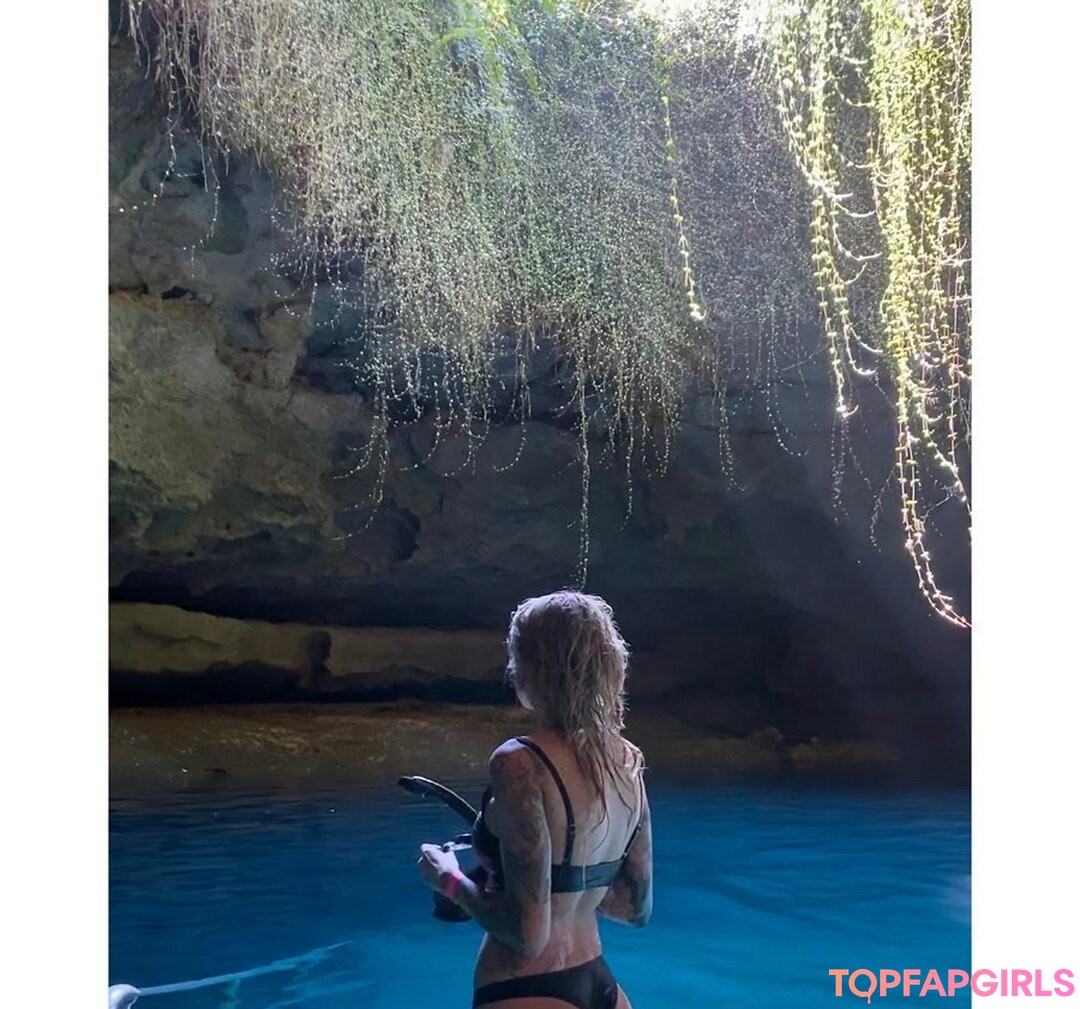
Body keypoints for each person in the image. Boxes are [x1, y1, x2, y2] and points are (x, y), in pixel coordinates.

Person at [417, 591, 653, 1009]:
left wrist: (448, 880)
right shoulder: (627, 760)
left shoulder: (520, 763)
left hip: (526, 987)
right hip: (601, 984)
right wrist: (568, 889)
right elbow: (636, 908)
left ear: (529, 669)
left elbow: (528, 936)